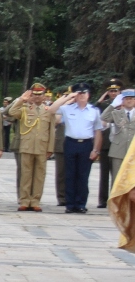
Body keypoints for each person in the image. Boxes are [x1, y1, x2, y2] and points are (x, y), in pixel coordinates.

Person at [50, 82, 102, 213]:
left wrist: (95, 149)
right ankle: (70, 204)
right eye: (79, 93)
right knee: (70, 175)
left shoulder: (94, 111)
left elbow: (98, 132)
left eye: (84, 93)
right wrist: (68, 97)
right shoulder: (68, 109)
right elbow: (52, 109)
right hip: (70, 143)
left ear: (89, 95)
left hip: (86, 144)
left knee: (83, 176)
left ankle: (81, 204)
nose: (82, 96)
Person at [7, 84, 53, 211]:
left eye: (40, 95)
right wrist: (22, 99)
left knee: (39, 175)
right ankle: (25, 200)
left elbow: (51, 131)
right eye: (35, 94)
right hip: (26, 146)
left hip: (42, 147)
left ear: (44, 96)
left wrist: (50, 148)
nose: (37, 97)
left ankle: (35, 201)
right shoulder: (25, 108)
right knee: (26, 174)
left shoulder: (49, 110)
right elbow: (11, 112)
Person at [101, 91, 135, 209]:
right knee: (117, 178)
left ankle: (130, 204)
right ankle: (116, 203)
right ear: (122, 101)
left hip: (133, 151)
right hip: (118, 149)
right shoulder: (117, 113)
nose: (129, 101)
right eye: (126, 99)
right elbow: (104, 117)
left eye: (131, 98)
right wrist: (112, 105)